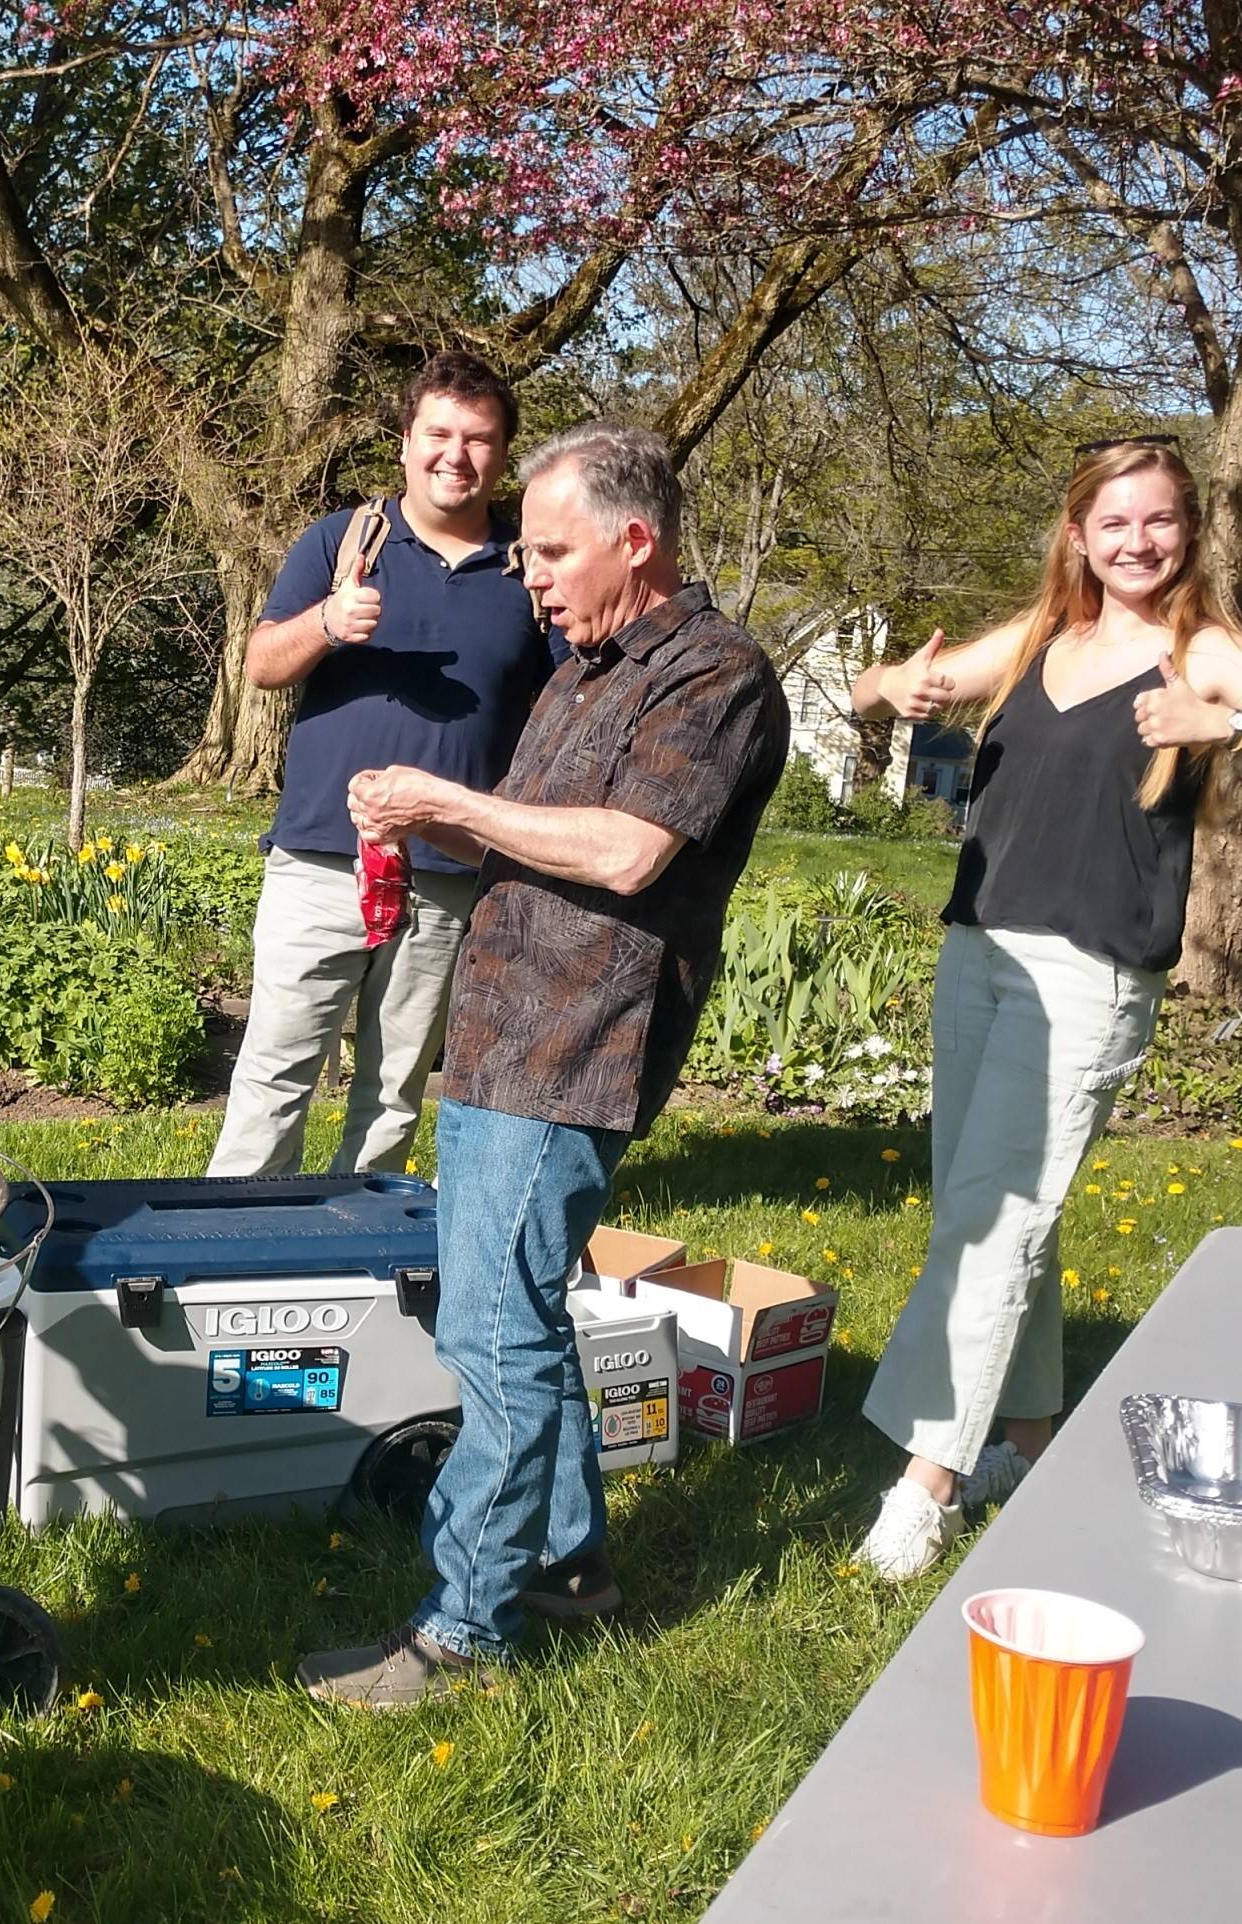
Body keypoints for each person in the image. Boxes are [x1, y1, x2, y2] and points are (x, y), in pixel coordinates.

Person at [295, 424, 789, 1707]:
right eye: (526, 556)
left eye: (553, 554)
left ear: (636, 540)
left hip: (576, 1044)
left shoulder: (714, 673)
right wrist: (410, 809)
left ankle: (467, 1626)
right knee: (514, 1312)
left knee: (493, 1335)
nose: (533, 579)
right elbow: (531, 834)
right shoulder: (582, 668)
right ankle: (567, 1561)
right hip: (500, 1032)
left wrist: (446, 804)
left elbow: (627, 852)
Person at [848, 437, 1242, 1580]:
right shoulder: (1038, 638)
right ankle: (1029, 1446)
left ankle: (924, 1483)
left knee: (992, 1223)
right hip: (978, 950)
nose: (1136, 541)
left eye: (1158, 521)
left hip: (1086, 973)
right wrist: (889, 687)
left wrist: (1227, 728)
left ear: (1186, 532)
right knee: (996, 1215)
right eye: (1114, 522)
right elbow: (874, 689)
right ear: (1077, 534)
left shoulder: (1206, 655)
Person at [206, 350, 553, 1179]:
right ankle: (233, 1231)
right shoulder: (340, 541)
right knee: (272, 1078)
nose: (455, 455)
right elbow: (260, 664)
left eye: (478, 439)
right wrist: (326, 622)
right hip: (321, 860)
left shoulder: (532, 570)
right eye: (438, 434)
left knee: (394, 1090)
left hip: (449, 874)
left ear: (503, 454)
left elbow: (563, 713)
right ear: (405, 442)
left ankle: (355, 1232)